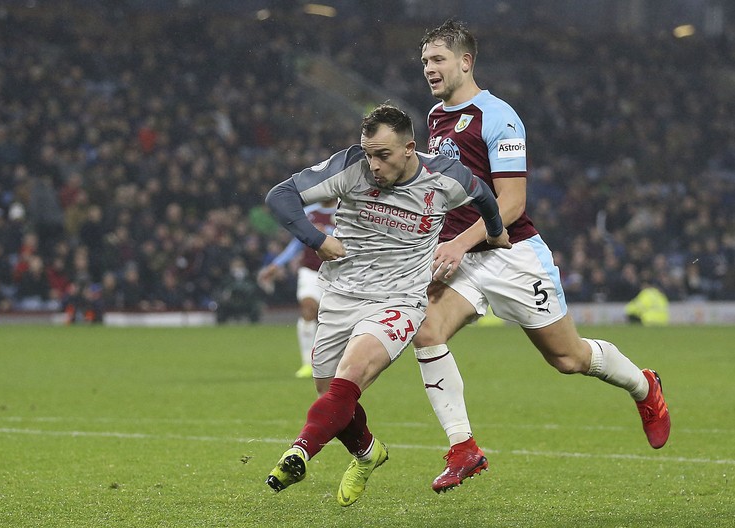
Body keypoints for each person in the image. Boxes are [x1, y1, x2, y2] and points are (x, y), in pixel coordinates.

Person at [412, 19, 671, 494]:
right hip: (465, 255)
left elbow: (511, 205)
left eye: (438, 59)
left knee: (569, 359)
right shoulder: (434, 118)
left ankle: (644, 386)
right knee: (425, 330)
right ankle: (463, 448)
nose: (428, 67)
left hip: (512, 254)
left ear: (465, 62)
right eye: (425, 59)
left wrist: (458, 242)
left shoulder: (499, 116)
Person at [264, 103, 510, 506]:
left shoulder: (445, 177)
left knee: (353, 371)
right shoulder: (349, 167)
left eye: (383, 155)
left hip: (400, 298)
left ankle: (299, 452)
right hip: (342, 295)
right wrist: (318, 239)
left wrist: (496, 232)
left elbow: (485, 196)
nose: (373, 164)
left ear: (410, 148)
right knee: (332, 398)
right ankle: (368, 453)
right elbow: (281, 195)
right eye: (368, 153)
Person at [257, 198, 338, 378]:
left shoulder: (345, 209)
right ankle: (307, 364)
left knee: (333, 319)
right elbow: (296, 244)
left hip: (337, 272)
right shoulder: (308, 212)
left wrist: (327, 234)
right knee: (308, 309)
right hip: (310, 271)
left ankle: (333, 362)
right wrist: (275, 265)